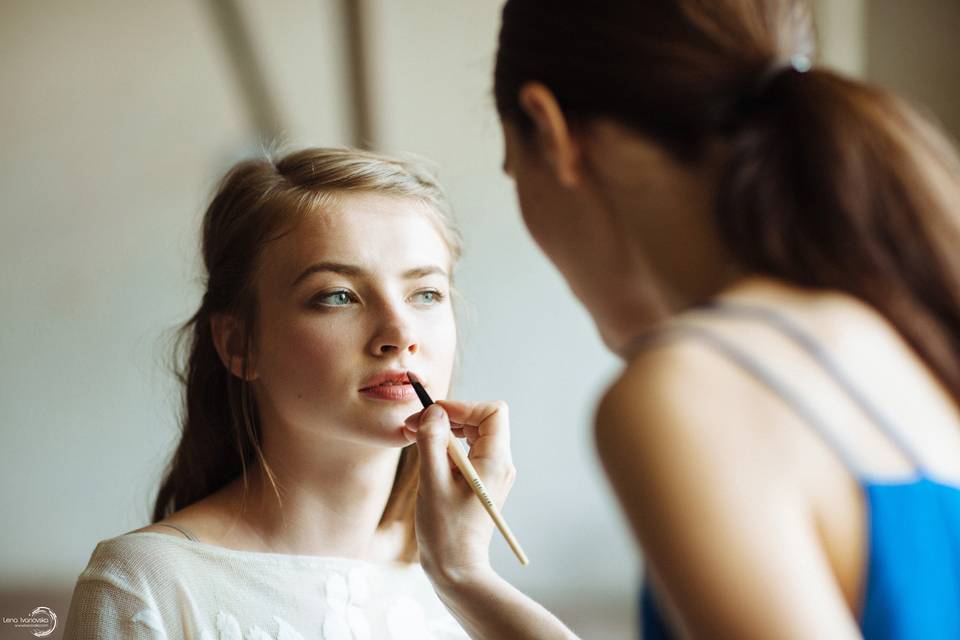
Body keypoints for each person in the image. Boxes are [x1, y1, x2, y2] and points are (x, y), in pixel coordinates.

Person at [407, 0, 960, 638]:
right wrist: (462, 573)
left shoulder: (689, 391)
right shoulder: (904, 336)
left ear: (550, 130)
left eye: (513, 170)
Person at [62, 147, 484, 639]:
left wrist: (469, 580)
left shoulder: (458, 581)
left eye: (426, 294)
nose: (399, 331)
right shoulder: (144, 584)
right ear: (239, 344)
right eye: (337, 296)